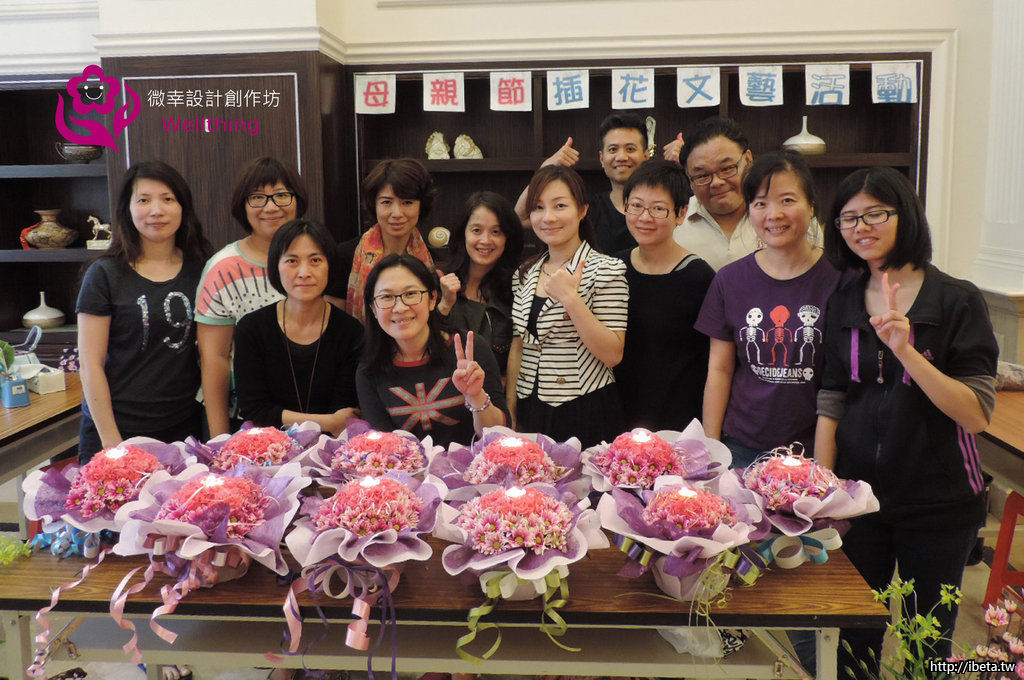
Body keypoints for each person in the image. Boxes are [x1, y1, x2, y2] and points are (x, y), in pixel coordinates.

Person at [814, 167, 998, 678]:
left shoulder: (956, 299)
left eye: (875, 213)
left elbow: (976, 414)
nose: (860, 227)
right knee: (853, 636)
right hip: (860, 499)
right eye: (848, 217)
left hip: (938, 500)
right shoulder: (844, 300)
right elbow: (832, 398)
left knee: (929, 642)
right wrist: (825, 492)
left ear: (906, 216)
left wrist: (907, 351)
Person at [695, 150, 849, 468]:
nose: (773, 214)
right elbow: (720, 370)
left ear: (811, 205)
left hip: (816, 448)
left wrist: (826, 467)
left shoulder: (842, 279)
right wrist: (713, 449)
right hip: (742, 446)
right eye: (760, 203)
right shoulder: (729, 280)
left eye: (787, 200)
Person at [77, 160, 210, 462]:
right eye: (144, 200)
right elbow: (90, 365)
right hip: (116, 429)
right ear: (127, 209)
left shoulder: (202, 268)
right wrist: (113, 446)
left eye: (167, 199)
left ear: (183, 207)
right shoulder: (104, 274)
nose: (156, 211)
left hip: (183, 426)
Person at [508, 165, 629, 448]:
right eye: (538, 208)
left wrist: (571, 299)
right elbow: (519, 345)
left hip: (585, 407)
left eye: (560, 206)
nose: (548, 217)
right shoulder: (524, 273)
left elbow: (613, 354)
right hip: (530, 404)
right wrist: (511, 407)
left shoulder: (607, 269)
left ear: (582, 210)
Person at [195, 156, 309, 437]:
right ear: (242, 206)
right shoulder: (223, 268)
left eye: (281, 195)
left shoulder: (316, 259)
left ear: (297, 200)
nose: (271, 207)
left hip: (309, 414)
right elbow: (215, 358)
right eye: (257, 197)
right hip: (243, 419)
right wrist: (220, 439)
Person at [356, 254, 508, 447]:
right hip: (405, 466)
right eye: (386, 297)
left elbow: (500, 435)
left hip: (474, 464)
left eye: (410, 294)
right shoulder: (369, 370)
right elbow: (384, 448)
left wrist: (476, 396)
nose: (400, 307)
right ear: (373, 308)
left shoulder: (470, 349)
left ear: (432, 299)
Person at [233, 220, 363, 436]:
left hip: (333, 447)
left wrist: (332, 423)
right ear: (276, 266)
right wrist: (329, 421)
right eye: (292, 261)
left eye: (315, 260)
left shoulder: (350, 331)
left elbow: (345, 412)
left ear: (330, 266)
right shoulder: (251, 328)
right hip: (267, 445)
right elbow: (255, 410)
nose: (304, 272)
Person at [614, 159, 715, 431]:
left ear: (681, 214)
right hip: (617, 416)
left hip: (679, 421)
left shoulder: (699, 277)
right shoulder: (612, 268)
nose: (644, 217)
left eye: (658, 209)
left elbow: (713, 362)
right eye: (636, 206)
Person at [514, 113, 650, 253]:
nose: (621, 157)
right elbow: (520, 218)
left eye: (630, 149)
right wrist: (545, 169)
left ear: (646, 156)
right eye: (613, 149)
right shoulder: (588, 210)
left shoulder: (659, 210)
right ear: (602, 158)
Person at [329, 159, 436, 324]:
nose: (397, 213)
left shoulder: (433, 260)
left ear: (421, 206)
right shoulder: (344, 256)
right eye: (386, 202)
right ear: (374, 205)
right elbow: (334, 323)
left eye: (407, 202)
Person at [437, 191, 524, 373]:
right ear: (463, 233)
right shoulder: (436, 280)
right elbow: (420, 348)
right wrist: (444, 304)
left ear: (507, 238)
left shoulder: (517, 289)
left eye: (496, 232)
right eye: (476, 230)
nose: (485, 240)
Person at [672, 116, 761, 270]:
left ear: (748, 160)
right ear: (689, 178)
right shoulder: (672, 225)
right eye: (702, 176)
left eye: (727, 169)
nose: (716, 182)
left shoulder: (779, 215)